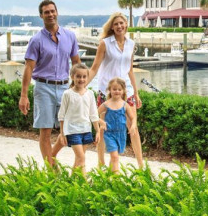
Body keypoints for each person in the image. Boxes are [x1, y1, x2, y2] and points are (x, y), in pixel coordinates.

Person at [18, 0, 81, 167]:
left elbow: (76, 62)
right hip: (43, 87)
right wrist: (23, 96)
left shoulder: (70, 36)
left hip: (64, 87)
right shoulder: (36, 40)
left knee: (69, 129)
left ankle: (50, 159)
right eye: (46, 12)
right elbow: (28, 68)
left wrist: (79, 86)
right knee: (45, 132)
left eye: (53, 11)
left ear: (57, 12)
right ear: (41, 15)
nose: (50, 14)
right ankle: (52, 171)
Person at [87, 12, 144, 168]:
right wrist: (81, 86)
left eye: (122, 23)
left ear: (126, 25)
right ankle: (101, 165)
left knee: (134, 127)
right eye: (116, 24)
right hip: (107, 92)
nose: (119, 26)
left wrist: (136, 93)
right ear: (112, 27)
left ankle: (141, 166)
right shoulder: (104, 43)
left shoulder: (131, 44)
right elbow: (94, 68)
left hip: (127, 91)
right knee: (103, 128)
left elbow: (130, 70)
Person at [53, 63, 105, 174]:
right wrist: (62, 133)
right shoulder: (68, 94)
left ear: (87, 78)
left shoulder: (90, 94)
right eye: (78, 76)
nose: (81, 79)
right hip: (72, 131)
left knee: (78, 159)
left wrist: (97, 131)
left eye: (84, 77)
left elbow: (93, 114)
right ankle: (84, 183)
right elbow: (61, 115)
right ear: (72, 77)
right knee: (82, 158)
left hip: (86, 130)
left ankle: (73, 182)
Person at [97, 77, 137, 174]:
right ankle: (116, 179)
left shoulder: (125, 105)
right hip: (109, 134)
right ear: (110, 90)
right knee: (115, 157)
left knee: (114, 157)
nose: (117, 91)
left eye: (119, 89)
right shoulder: (106, 104)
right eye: (114, 89)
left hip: (121, 134)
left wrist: (132, 126)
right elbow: (93, 115)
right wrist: (101, 122)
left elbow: (133, 118)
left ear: (123, 91)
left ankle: (109, 176)